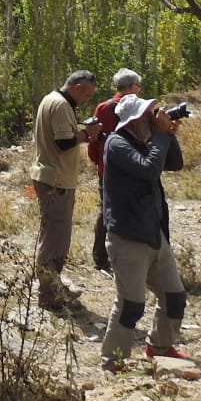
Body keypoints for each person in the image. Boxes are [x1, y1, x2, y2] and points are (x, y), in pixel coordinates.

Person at [99, 94, 188, 373]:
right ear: (134, 120)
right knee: (131, 305)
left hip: (152, 233)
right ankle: (113, 360)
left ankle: (160, 346)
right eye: (148, 114)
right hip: (127, 237)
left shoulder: (144, 141)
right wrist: (160, 135)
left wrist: (168, 135)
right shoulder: (116, 143)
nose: (153, 117)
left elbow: (174, 164)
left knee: (174, 296)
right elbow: (148, 169)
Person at [31, 70, 99, 310]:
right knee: (54, 239)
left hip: (52, 177)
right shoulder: (60, 105)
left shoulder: (52, 100)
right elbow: (63, 142)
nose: (87, 99)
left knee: (53, 235)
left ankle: (53, 286)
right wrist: (87, 135)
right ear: (77, 87)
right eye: (87, 94)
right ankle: (49, 295)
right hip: (56, 180)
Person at [88, 68, 143, 273]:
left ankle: (100, 258)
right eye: (138, 85)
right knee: (134, 209)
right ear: (130, 87)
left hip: (107, 168)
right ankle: (131, 255)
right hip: (134, 168)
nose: (139, 89)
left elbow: (93, 139)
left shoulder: (102, 108)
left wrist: (97, 160)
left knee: (106, 211)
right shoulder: (140, 107)